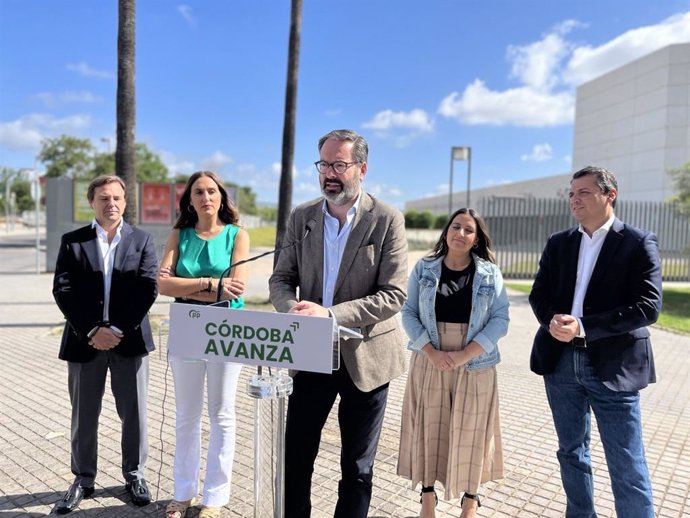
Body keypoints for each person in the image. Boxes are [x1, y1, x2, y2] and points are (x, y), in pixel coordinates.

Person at [269, 129, 408, 518]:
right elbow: (280, 279)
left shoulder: (386, 220)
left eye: (339, 165)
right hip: (311, 354)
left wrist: (329, 315)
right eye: (324, 164)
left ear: (361, 169)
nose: (330, 173)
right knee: (296, 457)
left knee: (357, 469)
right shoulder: (303, 217)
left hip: (367, 359)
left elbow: (393, 295)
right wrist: (292, 308)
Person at [529, 166, 662, 518]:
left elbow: (648, 307)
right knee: (571, 453)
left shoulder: (637, 242)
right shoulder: (559, 243)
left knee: (626, 459)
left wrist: (585, 327)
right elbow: (538, 295)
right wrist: (551, 320)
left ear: (609, 195)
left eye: (584, 192)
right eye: (572, 193)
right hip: (560, 365)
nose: (574, 199)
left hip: (613, 366)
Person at [52, 175, 158, 514]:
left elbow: (147, 288)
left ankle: (135, 475)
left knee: (135, 414)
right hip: (85, 343)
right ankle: (83, 479)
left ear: (125, 202)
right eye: (103, 198)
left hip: (129, 341)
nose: (110, 203)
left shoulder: (142, 240)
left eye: (116, 197)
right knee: (84, 415)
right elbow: (63, 289)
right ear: (92, 202)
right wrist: (93, 330)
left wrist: (116, 329)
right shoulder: (73, 241)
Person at [397, 208, 509, 518]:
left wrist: (465, 354)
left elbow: (500, 319)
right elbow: (408, 313)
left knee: (473, 429)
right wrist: (431, 351)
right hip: (429, 356)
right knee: (429, 426)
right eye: (455, 227)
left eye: (468, 230)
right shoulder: (424, 268)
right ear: (446, 232)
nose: (460, 233)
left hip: (476, 360)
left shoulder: (489, 273)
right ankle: (428, 496)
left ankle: (470, 500)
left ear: (476, 239)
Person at [158, 171, 249, 518]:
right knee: (186, 416)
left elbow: (237, 288)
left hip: (228, 325)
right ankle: (183, 493)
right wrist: (212, 284)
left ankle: (215, 497)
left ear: (222, 197)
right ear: (190, 200)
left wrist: (189, 284)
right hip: (187, 326)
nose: (206, 197)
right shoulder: (178, 234)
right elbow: (163, 287)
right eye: (199, 192)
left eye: (212, 191)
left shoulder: (237, 235)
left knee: (222, 414)